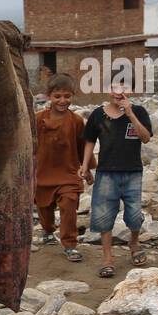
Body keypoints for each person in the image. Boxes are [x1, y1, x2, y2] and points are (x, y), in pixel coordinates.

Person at [81, 80, 153, 278]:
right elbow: (89, 141)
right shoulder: (97, 114)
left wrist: (130, 113)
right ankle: (107, 257)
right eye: (114, 88)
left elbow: (145, 138)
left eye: (124, 88)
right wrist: (85, 165)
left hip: (133, 172)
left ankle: (134, 242)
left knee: (134, 213)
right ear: (106, 90)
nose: (118, 93)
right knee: (103, 216)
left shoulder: (139, 111)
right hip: (106, 172)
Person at [35, 73, 88, 263]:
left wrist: (88, 169)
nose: (62, 100)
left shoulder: (76, 121)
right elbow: (30, 146)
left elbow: (83, 147)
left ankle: (70, 245)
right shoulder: (38, 120)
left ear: (72, 96)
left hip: (68, 175)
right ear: (49, 96)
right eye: (57, 96)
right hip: (43, 174)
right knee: (44, 208)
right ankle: (48, 230)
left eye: (67, 96)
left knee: (69, 205)